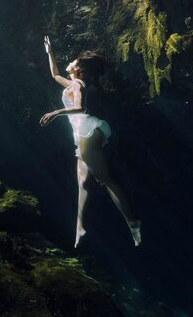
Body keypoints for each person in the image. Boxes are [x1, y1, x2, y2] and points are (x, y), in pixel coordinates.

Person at [40, 36, 141, 248]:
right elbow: (55, 74)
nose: (71, 62)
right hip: (82, 133)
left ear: (78, 70)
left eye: (75, 62)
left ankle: (132, 222)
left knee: (104, 180)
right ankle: (79, 227)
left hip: (88, 130)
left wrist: (56, 112)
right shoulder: (72, 82)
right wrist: (50, 52)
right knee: (83, 183)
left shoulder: (78, 84)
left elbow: (82, 108)